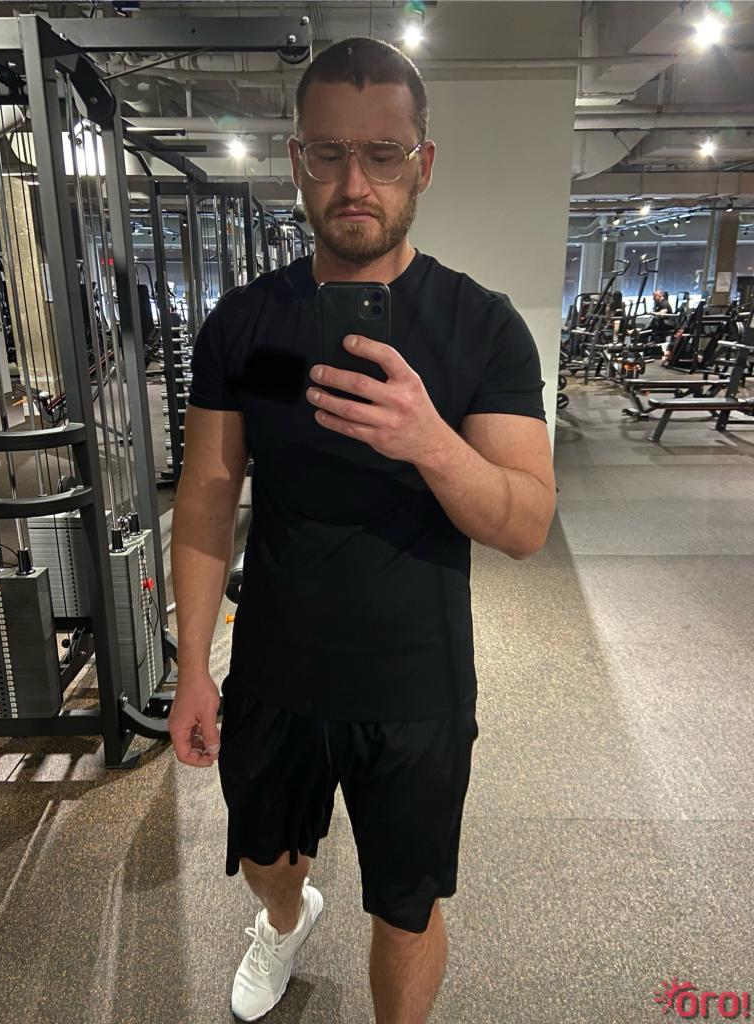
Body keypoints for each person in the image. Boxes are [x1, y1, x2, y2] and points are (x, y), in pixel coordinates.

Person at [168, 36, 556, 1024]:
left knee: (406, 904)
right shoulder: (243, 325)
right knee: (266, 857)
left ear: (422, 163)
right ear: (297, 160)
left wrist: (430, 440)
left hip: (415, 673)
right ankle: (285, 917)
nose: (354, 183)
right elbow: (207, 496)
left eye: (382, 154)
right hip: (275, 659)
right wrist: (194, 666)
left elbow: (525, 522)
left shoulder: (482, 327)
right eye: (329, 153)